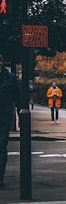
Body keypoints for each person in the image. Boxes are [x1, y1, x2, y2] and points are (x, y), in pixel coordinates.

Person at [0, 54, 21, 189]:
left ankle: (0, 177)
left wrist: (21, 114)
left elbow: (18, 97)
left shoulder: (10, 78)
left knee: (1, 147)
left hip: (3, 117)